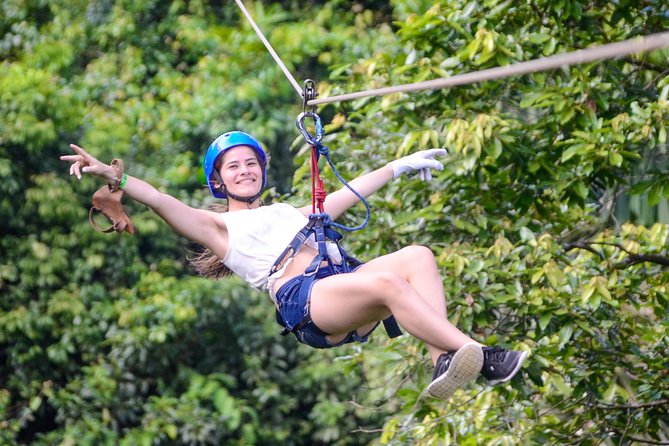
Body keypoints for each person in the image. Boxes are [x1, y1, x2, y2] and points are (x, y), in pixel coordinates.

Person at [61, 130, 527, 401]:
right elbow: (162, 200)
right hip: (305, 303)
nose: (244, 171)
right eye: (233, 167)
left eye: (250, 163)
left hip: (339, 286)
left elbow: (348, 194)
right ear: (219, 182)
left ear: (262, 170)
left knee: (418, 257)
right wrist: (115, 175)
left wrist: (398, 166)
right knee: (386, 281)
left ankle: (442, 358)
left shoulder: (290, 214)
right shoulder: (218, 229)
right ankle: (485, 357)